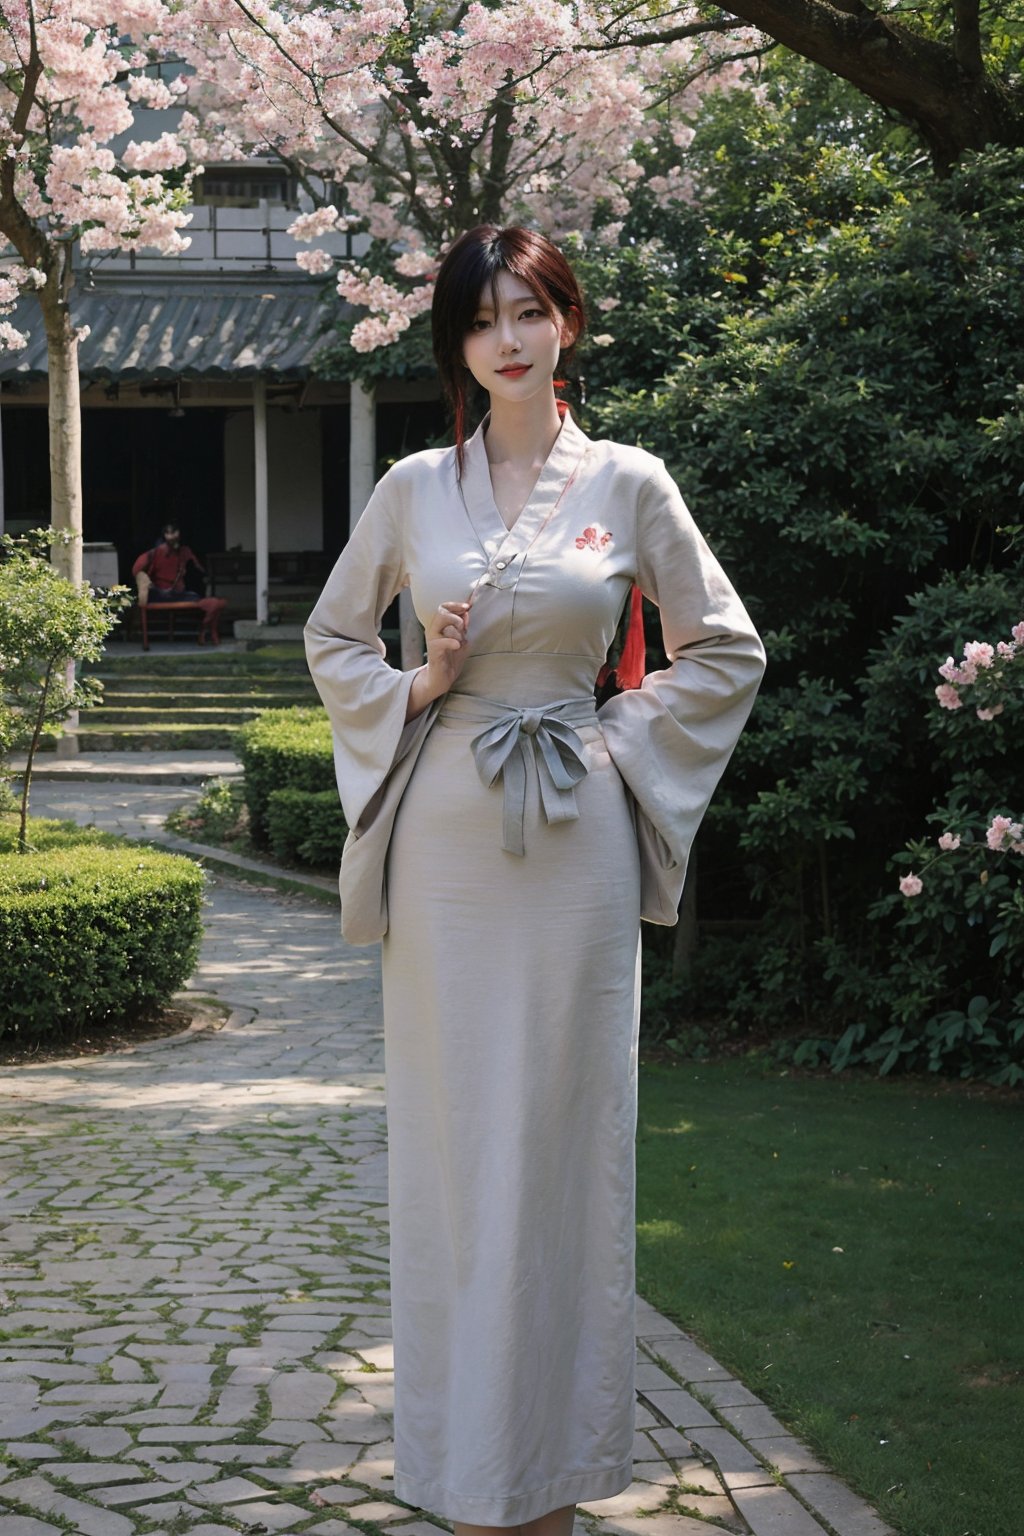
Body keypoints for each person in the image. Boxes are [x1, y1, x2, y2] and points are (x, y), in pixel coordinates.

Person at [304, 226, 766, 1536]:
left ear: (567, 321)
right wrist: (423, 684)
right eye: (481, 321)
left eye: (530, 311)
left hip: (576, 840)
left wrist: (615, 741)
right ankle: (464, 1476)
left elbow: (722, 649)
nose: (507, 339)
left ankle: (551, 1480)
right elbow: (334, 635)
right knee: (455, 1151)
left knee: (564, 1145)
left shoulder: (628, 481)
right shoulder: (411, 489)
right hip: (450, 842)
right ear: (456, 345)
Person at [131, 523, 226, 644]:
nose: (171, 536)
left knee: (216, 603)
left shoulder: (184, 552)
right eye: (168, 533)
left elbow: (200, 570)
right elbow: (136, 570)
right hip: (159, 593)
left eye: (174, 532)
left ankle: (205, 631)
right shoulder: (154, 553)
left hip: (178, 593)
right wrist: (144, 580)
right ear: (164, 536)